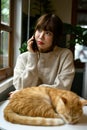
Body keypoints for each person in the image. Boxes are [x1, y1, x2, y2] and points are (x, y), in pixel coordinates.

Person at [13, 13, 75, 90]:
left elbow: (63, 88)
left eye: (47, 33)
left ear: (55, 37)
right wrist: (33, 57)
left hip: (54, 100)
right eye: (39, 30)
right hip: (30, 100)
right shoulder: (23, 57)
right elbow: (20, 87)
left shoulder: (65, 55)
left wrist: (34, 90)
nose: (41, 36)